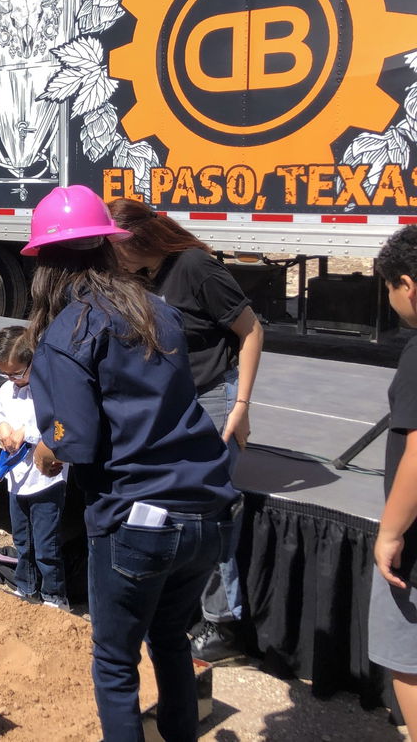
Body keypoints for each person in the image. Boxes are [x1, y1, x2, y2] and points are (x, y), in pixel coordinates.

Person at [23, 185, 238, 742]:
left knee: (116, 663)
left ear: (45, 263)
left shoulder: (68, 332)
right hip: (204, 511)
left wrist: (48, 447)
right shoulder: (156, 310)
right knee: (170, 640)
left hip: (138, 518)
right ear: (107, 247)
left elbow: (77, 441)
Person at [108, 198, 264, 661]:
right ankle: (181, 610)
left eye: (111, 245)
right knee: (173, 507)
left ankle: (223, 623)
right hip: (169, 401)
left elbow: (252, 331)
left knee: (209, 508)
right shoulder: (140, 275)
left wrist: (241, 406)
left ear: (135, 241)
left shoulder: (195, 267)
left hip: (213, 396)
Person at [369, 225, 417, 728]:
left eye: (389, 288)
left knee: (409, 661)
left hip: (414, 548)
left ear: (410, 286)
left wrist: (390, 532)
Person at [0, 325, 69, 610]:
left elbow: (56, 424)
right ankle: (26, 587)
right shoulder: (6, 392)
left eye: (16, 373)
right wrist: (3, 428)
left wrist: (27, 432)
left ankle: (53, 596)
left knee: (47, 544)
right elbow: (1, 418)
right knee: (22, 540)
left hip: (46, 480)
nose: (11, 379)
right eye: (4, 373)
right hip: (16, 479)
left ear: (33, 362)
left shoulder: (48, 391)